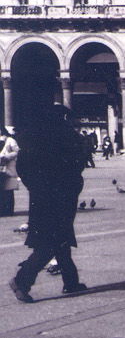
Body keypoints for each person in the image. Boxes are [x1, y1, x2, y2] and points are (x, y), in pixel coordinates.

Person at [9, 105, 87, 302]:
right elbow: (78, 164)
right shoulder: (65, 137)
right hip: (60, 197)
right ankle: (22, 280)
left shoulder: (34, 139)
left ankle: (71, 282)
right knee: (50, 243)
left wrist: (35, 188)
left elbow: (23, 167)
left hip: (42, 198)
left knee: (59, 240)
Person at [0, 126, 18, 216]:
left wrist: (7, 156)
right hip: (1, 169)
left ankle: (9, 210)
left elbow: (17, 151)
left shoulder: (10, 140)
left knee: (8, 190)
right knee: (2, 191)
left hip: (8, 168)